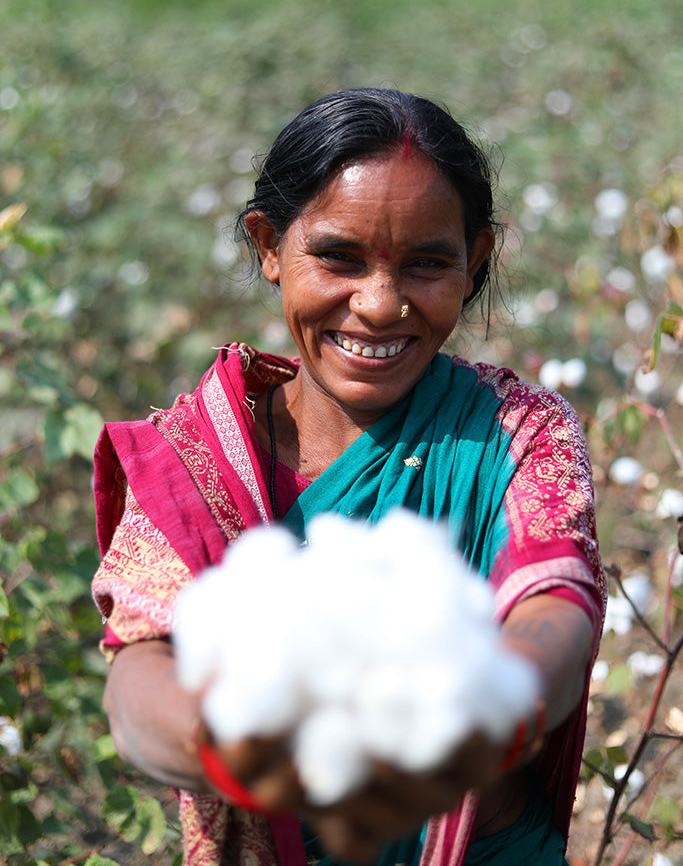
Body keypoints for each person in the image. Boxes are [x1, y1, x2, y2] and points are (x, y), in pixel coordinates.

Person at [92, 87, 606, 866]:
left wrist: (485, 706)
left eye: (426, 264)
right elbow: (139, 679)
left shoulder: (517, 431)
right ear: (269, 247)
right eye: (338, 257)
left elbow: (552, 607)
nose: (378, 304)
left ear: (474, 262)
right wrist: (231, 743)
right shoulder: (193, 460)